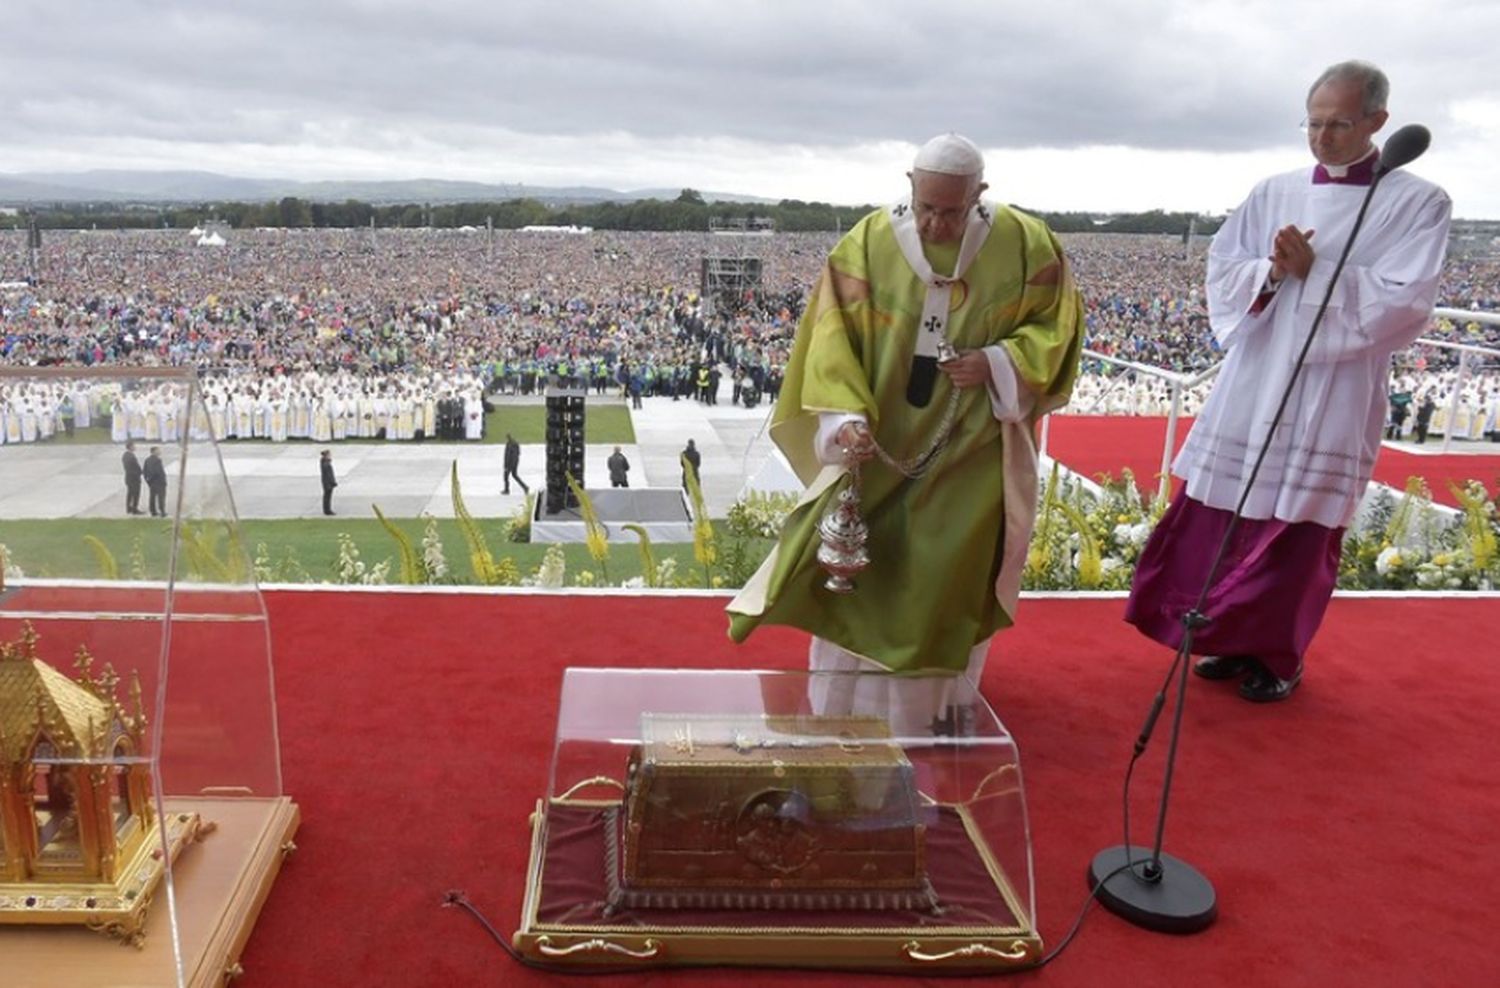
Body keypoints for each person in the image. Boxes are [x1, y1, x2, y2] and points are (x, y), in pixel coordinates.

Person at [726, 133, 1083, 730]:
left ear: (980, 195)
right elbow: (830, 340)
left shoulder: (1026, 244)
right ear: (910, 187)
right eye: (925, 208)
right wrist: (846, 419)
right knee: (865, 576)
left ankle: (932, 716)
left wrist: (996, 361)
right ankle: (843, 710)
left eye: (951, 210)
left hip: (971, 446)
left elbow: (1057, 328)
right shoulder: (867, 245)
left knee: (945, 574)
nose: (935, 224)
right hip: (881, 443)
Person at [1125, 61, 1451, 703]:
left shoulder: (1419, 202)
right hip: (1258, 378)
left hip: (1335, 388)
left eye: (1340, 124)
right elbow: (1226, 267)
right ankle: (1225, 636)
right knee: (1224, 511)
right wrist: (1272, 275)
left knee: (1298, 529)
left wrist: (1313, 272)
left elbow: (1406, 302)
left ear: (1377, 122)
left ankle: (1276, 654)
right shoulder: (1272, 191)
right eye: (1315, 123)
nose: (1323, 138)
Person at [143, 446, 168, 518]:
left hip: (152, 482)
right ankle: (162, 511)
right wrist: (163, 480)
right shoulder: (157, 460)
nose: (160, 451)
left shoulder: (147, 460)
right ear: (154, 451)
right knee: (161, 497)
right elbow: (158, 471)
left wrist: (148, 480)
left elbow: (145, 471)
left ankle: (153, 511)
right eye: (158, 450)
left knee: (152, 497)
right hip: (159, 482)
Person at [121, 441, 144, 515]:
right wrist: (140, 472)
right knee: (135, 494)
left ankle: (129, 508)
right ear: (130, 447)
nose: (135, 447)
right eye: (134, 446)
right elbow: (134, 468)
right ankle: (134, 509)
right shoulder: (131, 457)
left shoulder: (125, 455)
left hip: (128, 478)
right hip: (134, 478)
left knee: (130, 493)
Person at [320, 449, 338, 515]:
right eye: (329, 455)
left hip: (327, 482)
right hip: (327, 482)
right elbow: (329, 474)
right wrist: (332, 482)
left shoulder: (324, 462)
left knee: (327, 496)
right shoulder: (326, 463)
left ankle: (327, 509)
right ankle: (327, 510)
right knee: (327, 497)